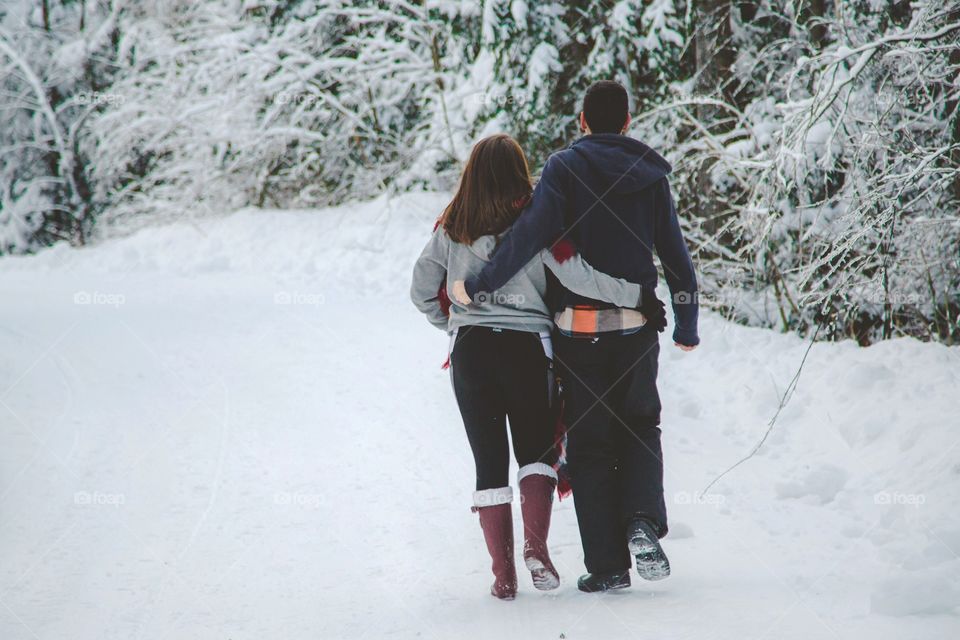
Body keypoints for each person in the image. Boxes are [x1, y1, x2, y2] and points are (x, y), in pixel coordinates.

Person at [453, 81, 700, 593]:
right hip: (635, 331)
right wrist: (687, 322)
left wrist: (479, 285)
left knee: (588, 445)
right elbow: (675, 255)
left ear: (582, 121)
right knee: (640, 427)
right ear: (628, 122)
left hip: (578, 333)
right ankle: (640, 520)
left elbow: (529, 236)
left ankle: (607, 565)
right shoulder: (650, 172)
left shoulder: (563, 168)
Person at [410, 134, 649, 600]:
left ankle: (502, 574)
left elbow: (421, 288)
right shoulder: (538, 223)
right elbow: (579, 275)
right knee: (535, 453)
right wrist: (635, 296)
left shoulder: (452, 225)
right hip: (526, 350)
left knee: (488, 463)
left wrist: (454, 324)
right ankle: (535, 547)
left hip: (471, 350)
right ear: (521, 173)